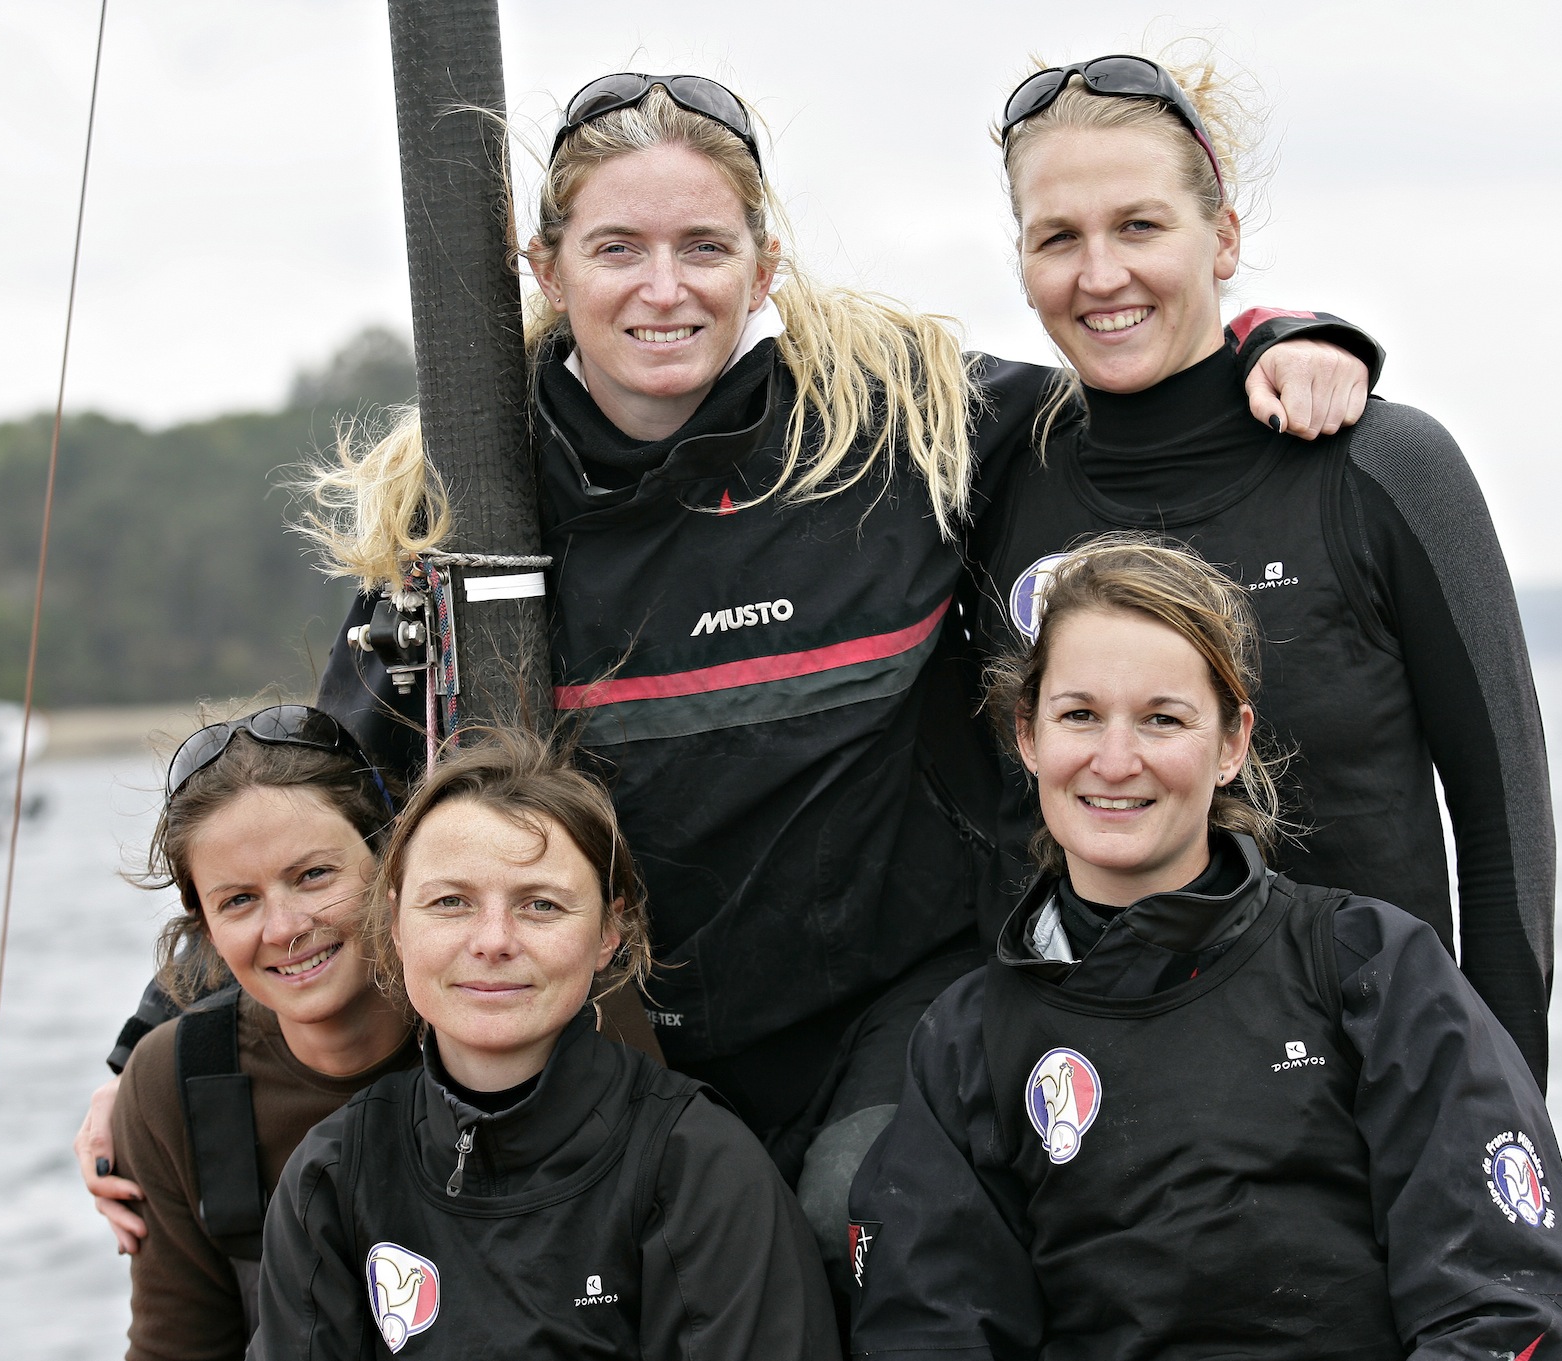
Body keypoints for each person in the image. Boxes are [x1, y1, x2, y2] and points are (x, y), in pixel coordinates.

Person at [284, 74, 1377, 1282]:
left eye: (705, 247)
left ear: (762, 269)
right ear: (545, 269)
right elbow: (310, 808)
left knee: (848, 1208)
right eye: (617, 248)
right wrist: (159, 1048)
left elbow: (1124, 385)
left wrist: (1270, 334)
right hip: (629, 1025)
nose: (664, 288)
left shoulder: (885, 428)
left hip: (893, 1006)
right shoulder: (474, 515)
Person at [848, 536, 1562, 1360]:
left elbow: (1510, 1307)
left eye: (1162, 719)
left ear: (1232, 742)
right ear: (1028, 735)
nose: (1115, 761)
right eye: (1079, 715)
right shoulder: (966, 1044)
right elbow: (927, 1330)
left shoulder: (1371, 970)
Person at [965, 51, 1557, 1087]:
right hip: (1094, 1113)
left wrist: (1502, 1112)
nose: (1099, 275)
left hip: (1365, 1094)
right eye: (1057, 237)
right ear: (1021, 260)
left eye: (1139, 226)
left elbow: (1503, 823)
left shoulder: (1381, 465)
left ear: (1224, 238)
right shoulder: (991, 477)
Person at [249, 726, 840, 1360]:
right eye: (450, 901)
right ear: (394, 924)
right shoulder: (335, 1175)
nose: (493, 941)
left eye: (541, 906)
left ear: (610, 931)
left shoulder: (699, 1169)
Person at [102, 707, 418, 1361]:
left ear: (387, 860)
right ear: (204, 926)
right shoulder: (175, 1083)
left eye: (313, 875)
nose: (284, 928)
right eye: (239, 900)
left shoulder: (499, 1026)